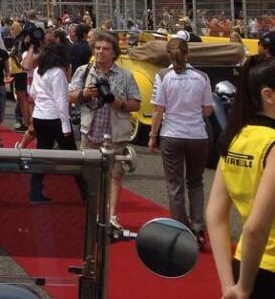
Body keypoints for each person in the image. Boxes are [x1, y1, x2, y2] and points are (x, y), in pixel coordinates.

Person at [206, 56, 275, 299]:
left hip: (243, 264)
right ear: (269, 95)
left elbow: (215, 215)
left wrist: (230, 284)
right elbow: (256, 227)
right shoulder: (271, 144)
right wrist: (244, 287)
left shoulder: (235, 139)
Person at [69, 31, 141, 227]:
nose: (100, 52)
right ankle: (92, 214)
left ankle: (112, 217)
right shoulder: (84, 71)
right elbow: (69, 96)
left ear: (114, 53)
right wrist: (84, 93)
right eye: (98, 48)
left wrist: (119, 103)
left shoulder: (125, 76)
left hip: (116, 132)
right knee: (91, 176)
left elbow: (136, 104)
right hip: (90, 130)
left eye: (106, 49)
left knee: (115, 176)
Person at [148, 37, 213, 247]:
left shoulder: (162, 76)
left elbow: (158, 110)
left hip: (172, 134)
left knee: (174, 184)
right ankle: (198, 227)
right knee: (195, 182)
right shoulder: (202, 76)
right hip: (197, 135)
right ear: (188, 53)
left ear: (169, 54)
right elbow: (208, 110)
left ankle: (180, 227)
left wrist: (152, 136)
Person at [27, 43, 85, 204]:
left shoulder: (39, 71)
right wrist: (66, 126)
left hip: (40, 116)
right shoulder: (58, 73)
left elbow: (32, 93)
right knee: (74, 158)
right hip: (55, 118)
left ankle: (35, 191)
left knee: (41, 155)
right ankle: (85, 191)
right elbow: (61, 101)